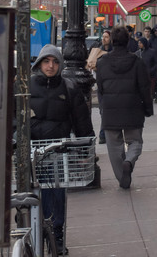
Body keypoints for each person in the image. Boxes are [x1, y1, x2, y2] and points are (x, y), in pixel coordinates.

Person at [30, 44, 94, 254]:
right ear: (39, 63)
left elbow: (81, 121)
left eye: (55, 62)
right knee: (32, 195)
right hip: (32, 151)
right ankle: (36, 232)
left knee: (56, 194)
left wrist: (86, 151)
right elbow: (13, 119)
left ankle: (55, 234)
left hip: (58, 151)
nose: (51, 66)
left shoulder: (69, 87)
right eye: (47, 61)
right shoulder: (26, 86)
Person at [96, 25, 154, 190]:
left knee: (113, 145)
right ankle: (129, 161)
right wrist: (148, 109)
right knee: (135, 141)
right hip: (132, 107)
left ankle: (122, 177)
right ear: (128, 41)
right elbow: (145, 88)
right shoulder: (137, 61)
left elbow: (100, 88)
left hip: (110, 109)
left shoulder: (102, 63)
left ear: (112, 41)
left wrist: (103, 105)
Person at [86, 30, 113, 144]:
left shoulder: (113, 51)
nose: (104, 39)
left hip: (112, 84)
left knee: (109, 110)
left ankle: (106, 134)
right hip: (101, 83)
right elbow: (91, 64)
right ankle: (103, 135)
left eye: (106, 37)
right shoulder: (98, 50)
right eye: (103, 37)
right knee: (103, 110)